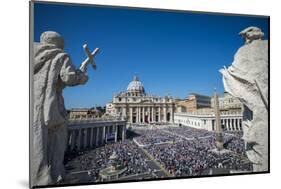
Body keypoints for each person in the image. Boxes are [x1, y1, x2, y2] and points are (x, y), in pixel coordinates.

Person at [31, 31, 89, 186]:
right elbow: (70, 78)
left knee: (36, 141)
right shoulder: (60, 55)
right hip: (49, 103)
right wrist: (82, 74)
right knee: (54, 141)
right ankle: (49, 175)